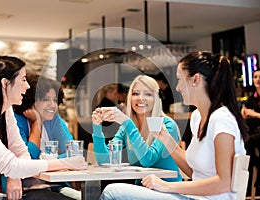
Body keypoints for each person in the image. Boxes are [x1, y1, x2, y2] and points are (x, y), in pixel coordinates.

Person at [100, 51, 249, 200]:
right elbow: (194, 173)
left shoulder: (222, 119)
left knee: (112, 191)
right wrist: (165, 138)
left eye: (179, 79)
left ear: (195, 79)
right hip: (194, 198)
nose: (177, 88)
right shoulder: (197, 117)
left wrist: (166, 186)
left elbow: (224, 183)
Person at [0, 56, 87, 200]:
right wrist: (64, 163)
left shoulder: (5, 111)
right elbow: (12, 165)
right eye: (23, 80)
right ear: (5, 84)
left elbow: (22, 153)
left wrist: (15, 172)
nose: (27, 86)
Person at [0, 73, 78, 198]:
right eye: (46, 99)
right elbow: (25, 162)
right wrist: (36, 123)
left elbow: (73, 152)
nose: (53, 105)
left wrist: (44, 161)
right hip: (23, 189)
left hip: (55, 186)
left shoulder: (55, 120)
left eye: (55, 100)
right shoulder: (15, 121)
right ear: (31, 100)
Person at [92, 75, 183, 185]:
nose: (140, 98)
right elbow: (104, 161)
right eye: (135, 94)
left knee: (111, 192)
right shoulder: (126, 127)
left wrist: (127, 123)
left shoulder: (167, 125)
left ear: (156, 99)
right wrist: (97, 127)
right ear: (130, 98)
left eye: (148, 94)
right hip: (141, 189)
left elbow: (147, 160)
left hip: (167, 190)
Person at [241, 68, 260, 188]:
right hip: (255, 131)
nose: (258, 80)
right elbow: (245, 113)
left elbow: (254, 115)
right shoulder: (252, 98)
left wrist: (254, 114)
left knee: (248, 141)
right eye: (255, 77)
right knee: (244, 142)